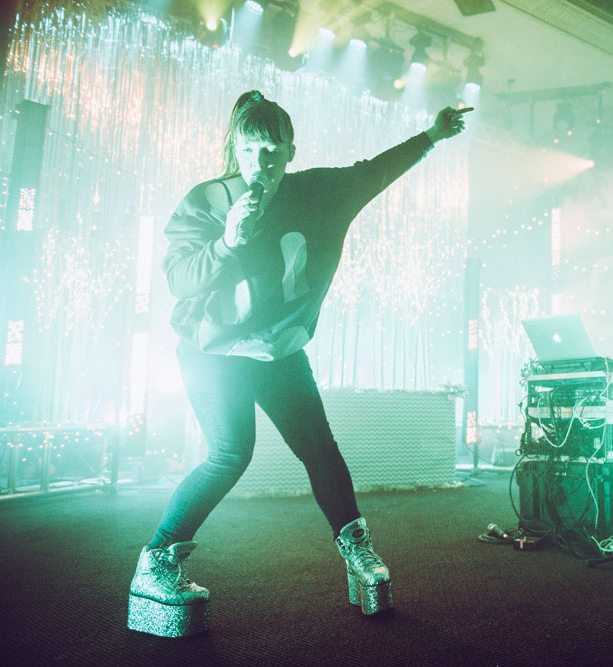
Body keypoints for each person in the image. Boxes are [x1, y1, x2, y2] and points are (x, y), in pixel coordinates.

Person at [127, 90, 472, 637]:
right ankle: (157, 562)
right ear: (234, 149)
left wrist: (430, 137)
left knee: (320, 449)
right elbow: (179, 281)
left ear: (290, 150)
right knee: (230, 453)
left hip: (280, 350)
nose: (261, 163)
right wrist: (228, 240)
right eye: (249, 150)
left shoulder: (318, 192)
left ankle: (360, 557)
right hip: (213, 353)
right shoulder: (208, 201)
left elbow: (372, 172)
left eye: (271, 150)